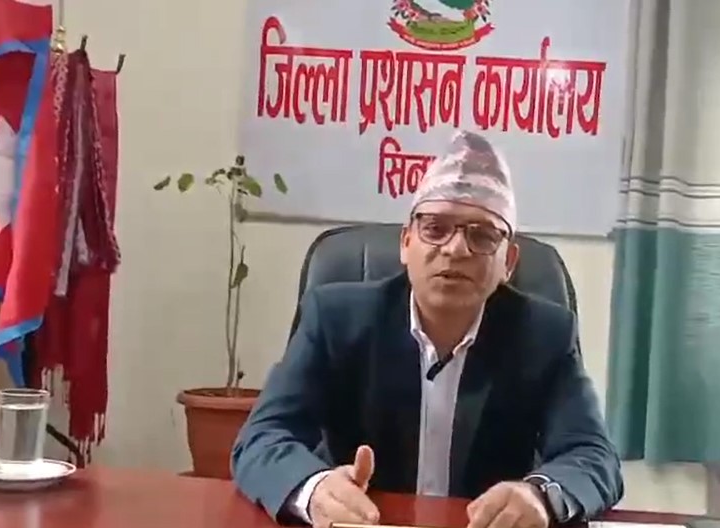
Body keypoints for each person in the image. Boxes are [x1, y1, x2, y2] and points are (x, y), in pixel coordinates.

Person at [231, 130, 624, 528]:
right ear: (405, 243)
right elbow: (262, 438)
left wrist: (541, 495)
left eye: (482, 235)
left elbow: (593, 455)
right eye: (435, 228)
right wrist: (313, 489)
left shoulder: (544, 335)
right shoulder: (336, 319)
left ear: (508, 262)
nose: (455, 249)